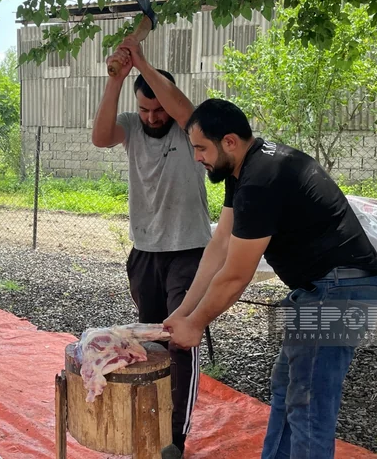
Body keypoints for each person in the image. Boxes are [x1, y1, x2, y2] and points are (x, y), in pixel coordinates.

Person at [164, 98, 377, 459]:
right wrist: (184, 313)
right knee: (287, 388)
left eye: (201, 148)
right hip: (325, 289)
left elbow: (235, 275)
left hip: (341, 290)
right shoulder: (248, 169)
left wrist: (198, 324)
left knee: (309, 404)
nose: (197, 157)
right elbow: (219, 246)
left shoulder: (260, 181)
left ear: (230, 141)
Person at [93, 37, 212, 459]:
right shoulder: (130, 125)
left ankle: (176, 438)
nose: (152, 116)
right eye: (145, 109)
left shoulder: (187, 126)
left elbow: (184, 111)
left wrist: (141, 61)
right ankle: (155, 417)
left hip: (189, 249)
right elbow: (99, 136)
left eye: (157, 108)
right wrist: (117, 79)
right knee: (152, 340)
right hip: (145, 250)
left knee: (181, 340)